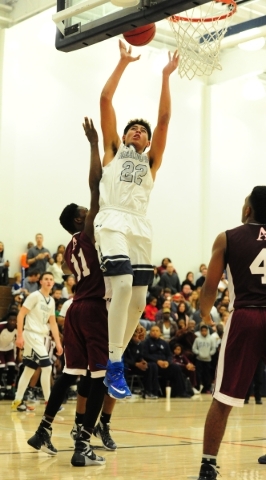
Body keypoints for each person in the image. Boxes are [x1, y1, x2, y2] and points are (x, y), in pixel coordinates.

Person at [27, 118, 116, 467]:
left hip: (74, 308)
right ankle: (83, 444)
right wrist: (94, 144)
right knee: (100, 377)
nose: (89, 210)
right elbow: (95, 185)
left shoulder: (70, 245)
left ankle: (44, 428)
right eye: (85, 212)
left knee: (70, 374)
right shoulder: (90, 230)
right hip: (94, 309)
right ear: (82, 220)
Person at [93, 39, 179, 399]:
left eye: (142, 131)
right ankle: (114, 363)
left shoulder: (151, 161)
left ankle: (117, 358)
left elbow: (163, 120)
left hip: (140, 225)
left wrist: (165, 76)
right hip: (112, 218)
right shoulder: (114, 151)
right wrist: (124, 63)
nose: (139, 131)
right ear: (125, 136)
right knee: (124, 284)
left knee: (140, 300)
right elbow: (105, 101)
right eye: (133, 129)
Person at [196, 186, 266, 479]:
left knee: (224, 396)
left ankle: (208, 464)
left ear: (248, 209)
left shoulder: (228, 237)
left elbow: (210, 286)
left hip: (247, 316)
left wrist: (204, 315)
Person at [11, 272, 63, 412]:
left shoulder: (51, 301)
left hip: (41, 337)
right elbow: (21, 314)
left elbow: (53, 324)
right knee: (47, 367)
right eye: (46, 279)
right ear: (40, 281)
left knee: (29, 369)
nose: (48, 281)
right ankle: (49, 402)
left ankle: (17, 401)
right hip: (31, 334)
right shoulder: (34, 296)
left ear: (53, 283)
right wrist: (19, 336)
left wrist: (58, 343)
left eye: (51, 279)